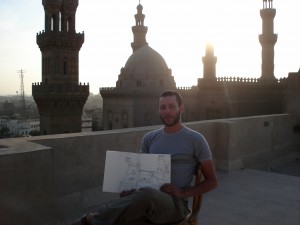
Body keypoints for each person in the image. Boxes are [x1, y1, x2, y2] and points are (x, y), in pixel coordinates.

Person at [70, 90, 218, 225]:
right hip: (148, 200)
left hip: (176, 206)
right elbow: (142, 176)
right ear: (158, 110)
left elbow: (212, 181)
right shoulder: (150, 138)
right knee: (124, 216)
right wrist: (133, 191)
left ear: (181, 108)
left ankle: (90, 219)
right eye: (163, 107)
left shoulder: (196, 139)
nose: (167, 111)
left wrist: (183, 192)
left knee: (145, 196)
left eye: (172, 106)